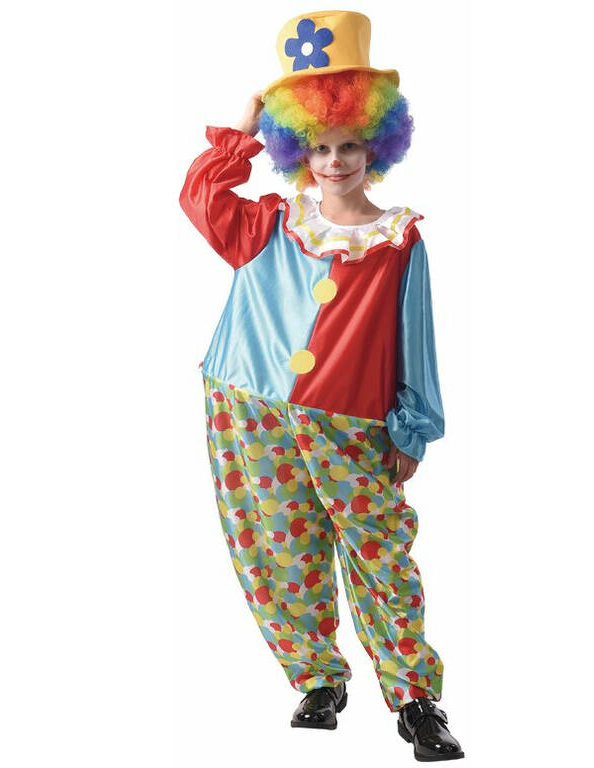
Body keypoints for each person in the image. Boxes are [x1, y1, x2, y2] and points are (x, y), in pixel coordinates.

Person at [178, 11, 464, 762]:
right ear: (297, 150)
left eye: (350, 146)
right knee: (278, 549)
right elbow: (200, 198)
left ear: (377, 147)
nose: (335, 161)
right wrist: (240, 131)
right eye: (320, 146)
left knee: (382, 556)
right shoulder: (270, 223)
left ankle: (415, 699)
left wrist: (412, 427)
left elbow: (415, 336)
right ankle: (316, 679)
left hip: (352, 420)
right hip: (248, 405)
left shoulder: (398, 238)